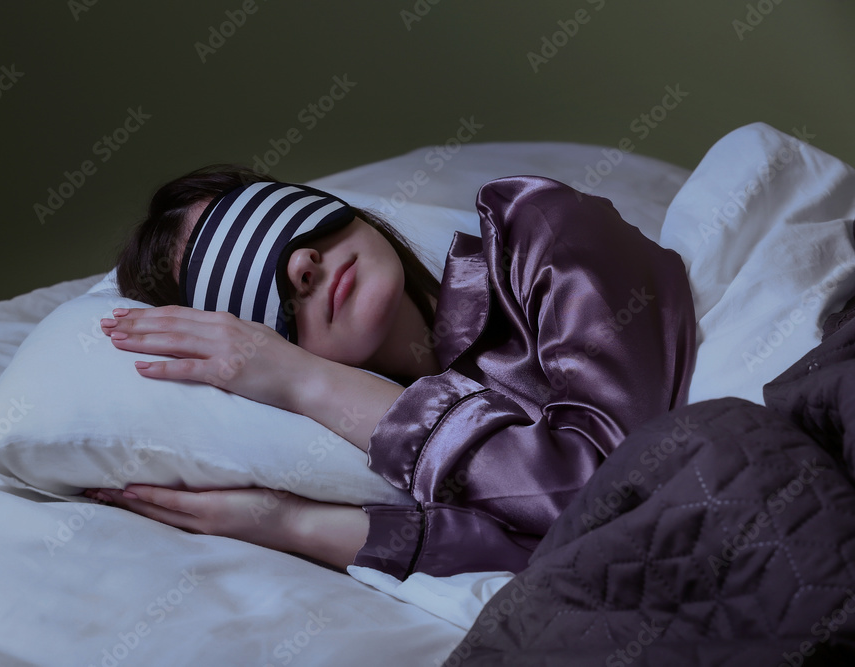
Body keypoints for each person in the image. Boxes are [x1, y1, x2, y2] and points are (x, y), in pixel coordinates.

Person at [84, 164, 697, 579]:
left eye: (272, 220)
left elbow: (611, 496)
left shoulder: (537, 230)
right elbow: (554, 554)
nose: (299, 262)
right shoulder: (387, 466)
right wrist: (295, 523)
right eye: (241, 285)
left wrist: (305, 380)